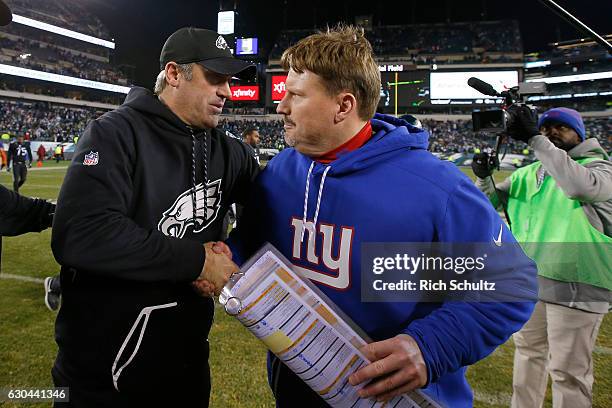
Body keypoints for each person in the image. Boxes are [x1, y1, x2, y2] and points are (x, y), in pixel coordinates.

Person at [224, 25, 537, 407]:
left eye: (295, 95)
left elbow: (509, 283)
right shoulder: (281, 172)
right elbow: (256, 245)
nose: (281, 106)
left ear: (344, 106)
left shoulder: (437, 188)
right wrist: (226, 256)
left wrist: (429, 346)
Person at [50, 27, 258, 407]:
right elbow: (82, 233)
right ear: (175, 74)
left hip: (188, 363)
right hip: (104, 373)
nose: (227, 91)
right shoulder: (112, 135)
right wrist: (198, 261)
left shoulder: (231, 153)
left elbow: (270, 210)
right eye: (215, 78)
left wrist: (233, 251)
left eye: (229, 81)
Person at [473, 106, 611, 408]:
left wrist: (536, 139)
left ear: (580, 134)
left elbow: (576, 186)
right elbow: (483, 204)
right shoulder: (529, 174)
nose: (551, 132)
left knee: (567, 372)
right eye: (546, 128)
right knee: (527, 357)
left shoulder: (601, 169)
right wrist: (484, 177)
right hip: (531, 281)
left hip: (580, 284)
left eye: (561, 127)